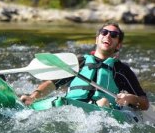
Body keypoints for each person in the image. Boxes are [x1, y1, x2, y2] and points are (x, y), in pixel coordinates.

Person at [20, 22, 149, 111]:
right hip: (70, 107)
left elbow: (144, 103)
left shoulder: (121, 70)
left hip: (102, 109)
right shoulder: (79, 62)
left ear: (118, 45)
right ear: (97, 39)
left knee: (103, 102)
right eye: (104, 32)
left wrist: (131, 98)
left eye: (114, 35)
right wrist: (33, 97)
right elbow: (52, 84)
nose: (108, 36)